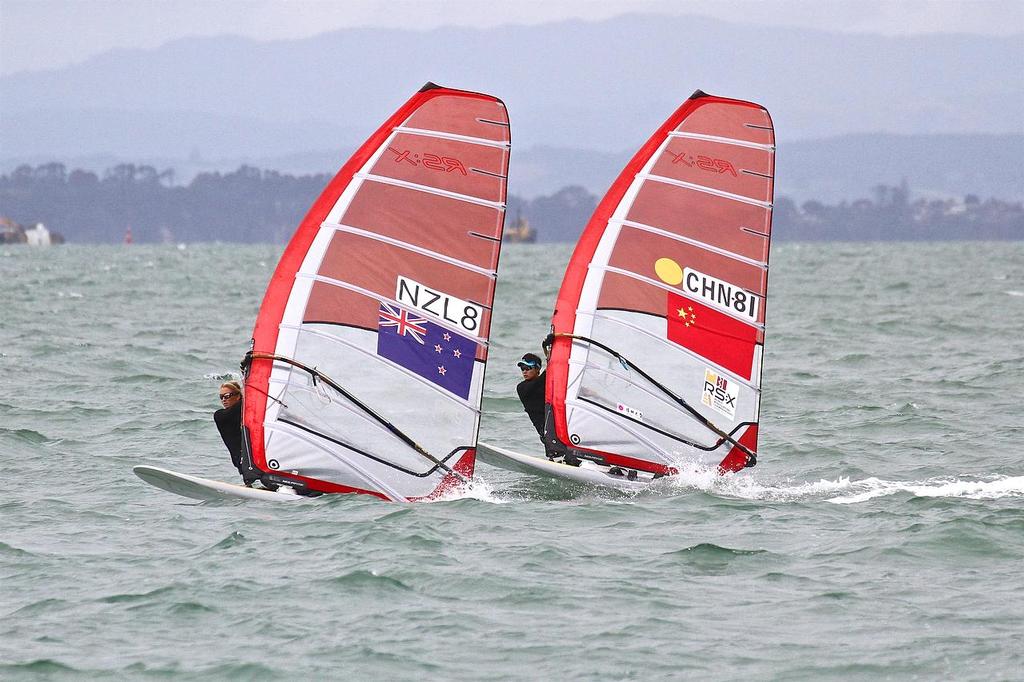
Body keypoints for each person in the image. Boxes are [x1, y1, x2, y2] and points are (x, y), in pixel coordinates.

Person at [213, 381, 257, 486]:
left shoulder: (247, 410)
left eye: (227, 396)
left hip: (257, 458)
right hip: (241, 462)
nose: (224, 400)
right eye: (221, 397)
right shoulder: (220, 416)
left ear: (237, 396)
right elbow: (238, 409)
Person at [515, 353, 546, 440]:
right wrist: (553, 362)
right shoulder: (522, 387)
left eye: (528, 368)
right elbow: (539, 382)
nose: (524, 371)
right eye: (522, 369)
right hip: (545, 431)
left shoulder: (546, 382)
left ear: (537, 369)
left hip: (558, 424)